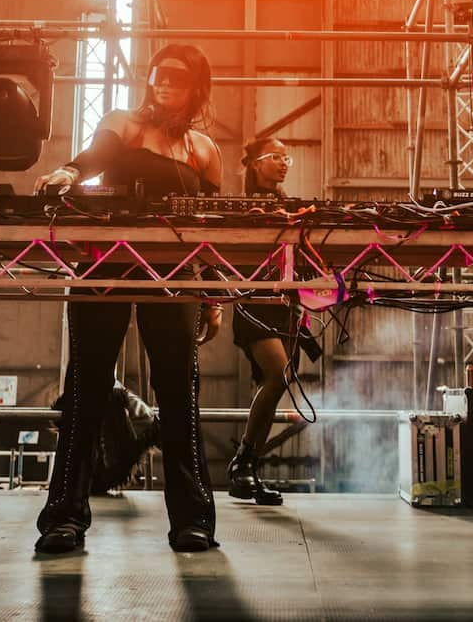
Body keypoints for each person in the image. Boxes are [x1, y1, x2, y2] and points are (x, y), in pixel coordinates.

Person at [32, 43, 223, 554]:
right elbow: (95, 157)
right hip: (106, 262)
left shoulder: (203, 150)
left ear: (195, 88)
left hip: (175, 271)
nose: (164, 83)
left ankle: (192, 519)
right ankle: (64, 518)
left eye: (177, 78)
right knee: (86, 386)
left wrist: (212, 298)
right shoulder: (125, 123)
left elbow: (211, 229)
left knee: (179, 393)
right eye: (159, 74)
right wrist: (70, 171)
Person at [227, 137, 294, 505]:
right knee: (278, 374)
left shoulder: (288, 205)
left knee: (275, 383)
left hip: (282, 302)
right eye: (275, 157)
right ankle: (243, 463)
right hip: (252, 301)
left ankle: (248, 467)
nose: (283, 163)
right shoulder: (241, 206)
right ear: (254, 164)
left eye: (287, 158)